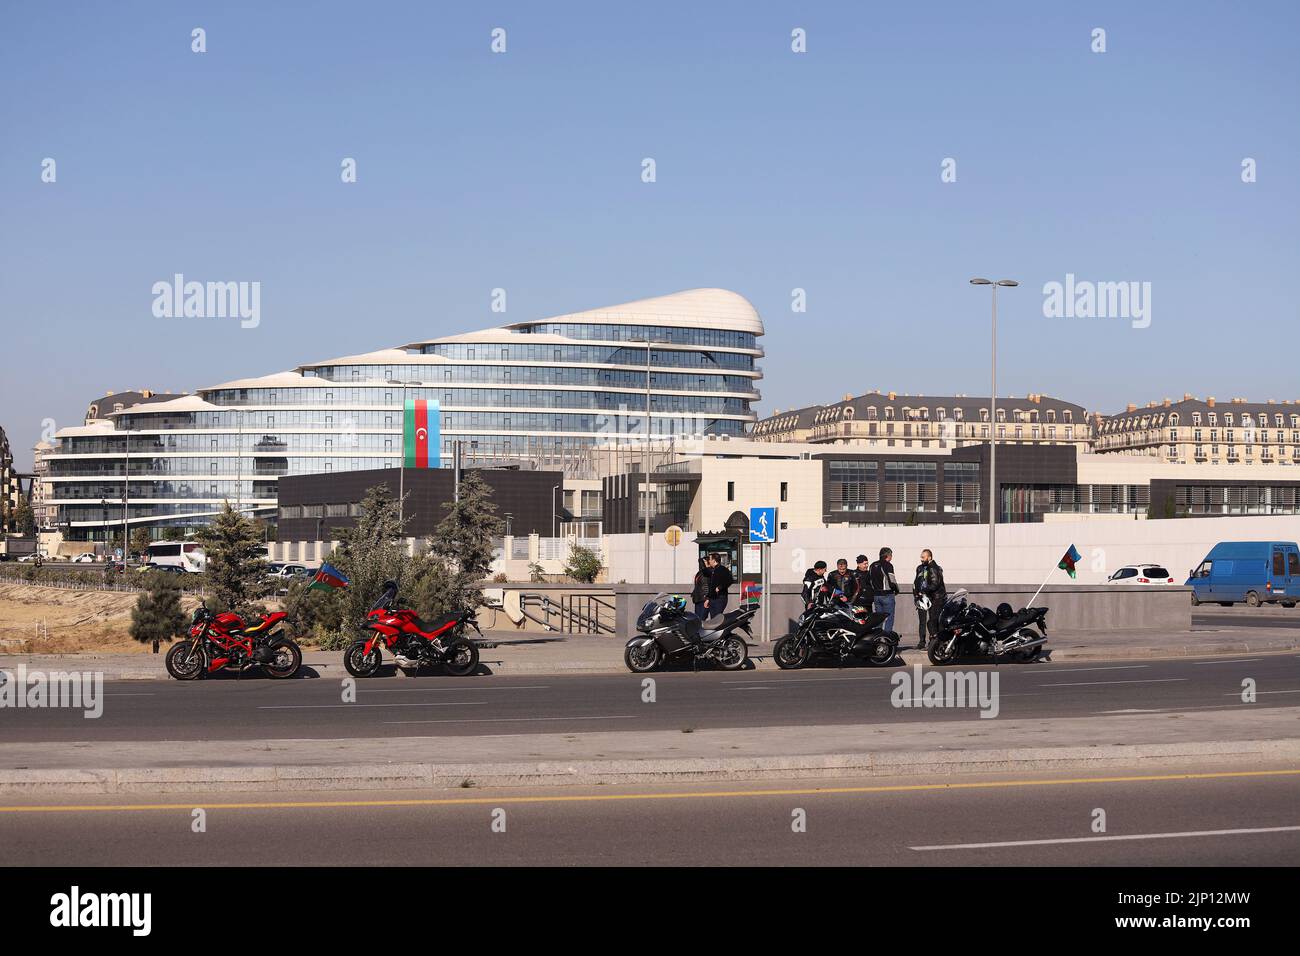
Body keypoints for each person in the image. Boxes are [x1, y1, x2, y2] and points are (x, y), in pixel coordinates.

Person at [912, 549, 946, 650]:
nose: (921, 559)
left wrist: (924, 591)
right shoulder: (919, 568)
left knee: (933, 621)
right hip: (922, 597)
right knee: (922, 621)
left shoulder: (935, 568)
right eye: (921, 557)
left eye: (923, 557)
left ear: (929, 557)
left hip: (934, 598)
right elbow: (916, 582)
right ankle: (921, 642)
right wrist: (916, 594)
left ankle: (933, 643)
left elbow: (935, 584)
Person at [869, 547, 900, 632]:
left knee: (878, 619)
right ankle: (886, 640)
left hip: (876, 596)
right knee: (888, 619)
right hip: (887, 595)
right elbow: (892, 581)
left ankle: (877, 639)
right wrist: (896, 590)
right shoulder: (888, 565)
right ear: (888, 555)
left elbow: (870, 580)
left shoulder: (872, 565)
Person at [704, 553, 734, 619]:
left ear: (714, 560)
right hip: (712, 599)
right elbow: (711, 586)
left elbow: (730, 580)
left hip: (720, 598)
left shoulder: (723, 569)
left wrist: (720, 587)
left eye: (710, 559)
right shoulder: (712, 570)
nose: (709, 561)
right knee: (713, 620)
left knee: (717, 619)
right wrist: (708, 599)